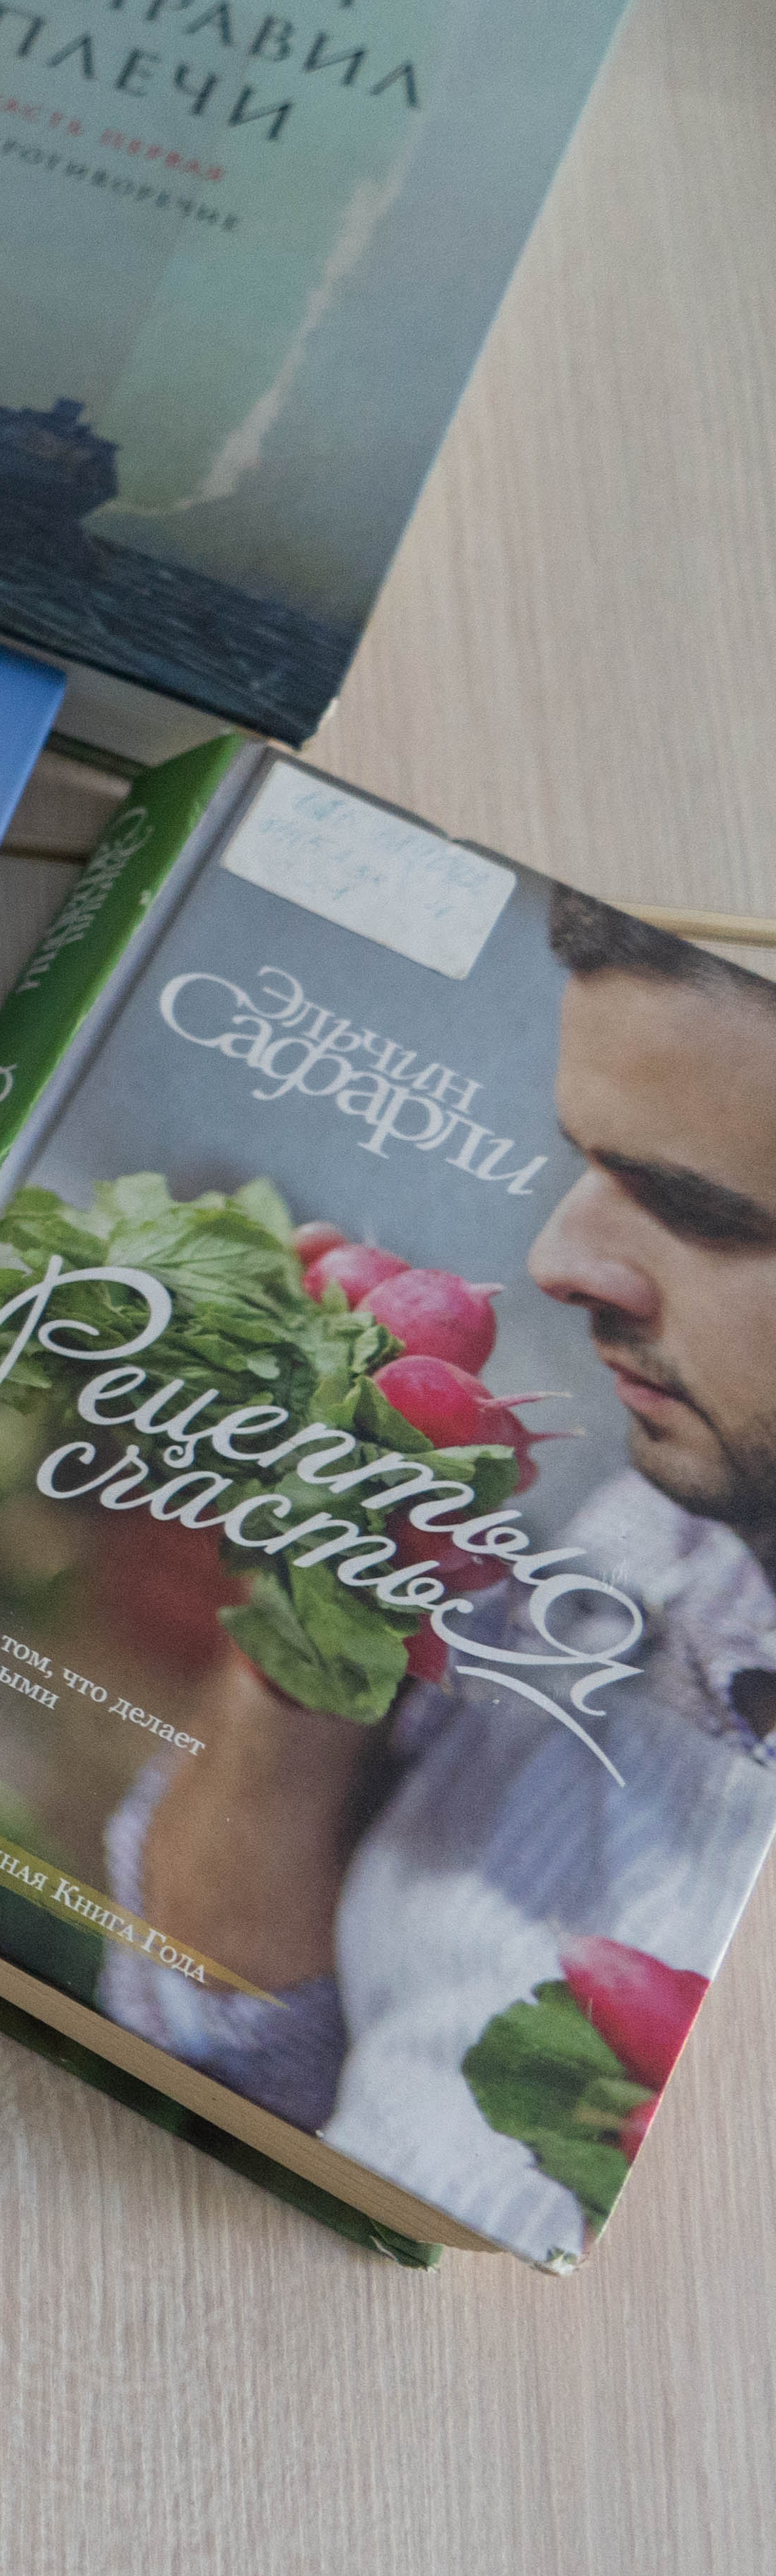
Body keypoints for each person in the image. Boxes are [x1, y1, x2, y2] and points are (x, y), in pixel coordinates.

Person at [107, 889, 776, 2255]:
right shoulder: (651, 1549)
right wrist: (315, 1619)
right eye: (590, 1166)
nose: (559, 1264)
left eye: (698, 1211)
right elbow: (244, 2057)